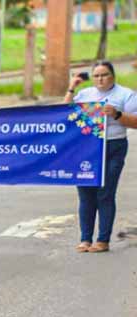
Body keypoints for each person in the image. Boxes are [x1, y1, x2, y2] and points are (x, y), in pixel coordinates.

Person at [65, 61, 137, 253]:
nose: (100, 79)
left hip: (113, 145)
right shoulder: (85, 95)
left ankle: (103, 240)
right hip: (86, 148)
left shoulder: (126, 95)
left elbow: (135, 122)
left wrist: (116, 114)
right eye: (96, 76)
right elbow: (64, 113)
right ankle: (85, 239)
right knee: (86, 194)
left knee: (105, 193)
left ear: (112, 76)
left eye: (104, 75)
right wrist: (72, 88)